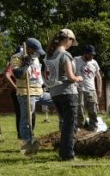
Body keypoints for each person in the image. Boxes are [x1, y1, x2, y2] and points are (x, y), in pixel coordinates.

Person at [45, 29, 83, 161]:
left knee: (65, 123)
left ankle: (63, 152)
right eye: (72, 42)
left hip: (54, 93)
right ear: (68, 40)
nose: (71, 45)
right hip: (67, 92)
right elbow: (70, 77)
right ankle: (67, 155)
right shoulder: (65, 55)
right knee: (71, 124)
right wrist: (79, 78)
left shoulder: (49, 55)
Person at [11, 38, 53, 145]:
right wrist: (25, 64)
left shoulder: (36, 58)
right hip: (26, 93)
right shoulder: (17, 57)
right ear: (29, 49)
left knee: (58, 100)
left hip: (39, 92)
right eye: (36, 50)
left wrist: (43, 85)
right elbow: (17, 74)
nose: (38, 53)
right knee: (27, 119)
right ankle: (27, 143)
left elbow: (37, 74)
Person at [74, 45, 102, 131]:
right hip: (79, 89)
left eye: (93, 55)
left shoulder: (94, 63)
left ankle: (93, 129)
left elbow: (98, 76)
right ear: (85, 53)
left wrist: (99, 89)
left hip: (91, 89)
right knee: (79, 110)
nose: (92, 57)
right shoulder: (76, 60)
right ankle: (80, 128)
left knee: (93, 110)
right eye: (90, 54)